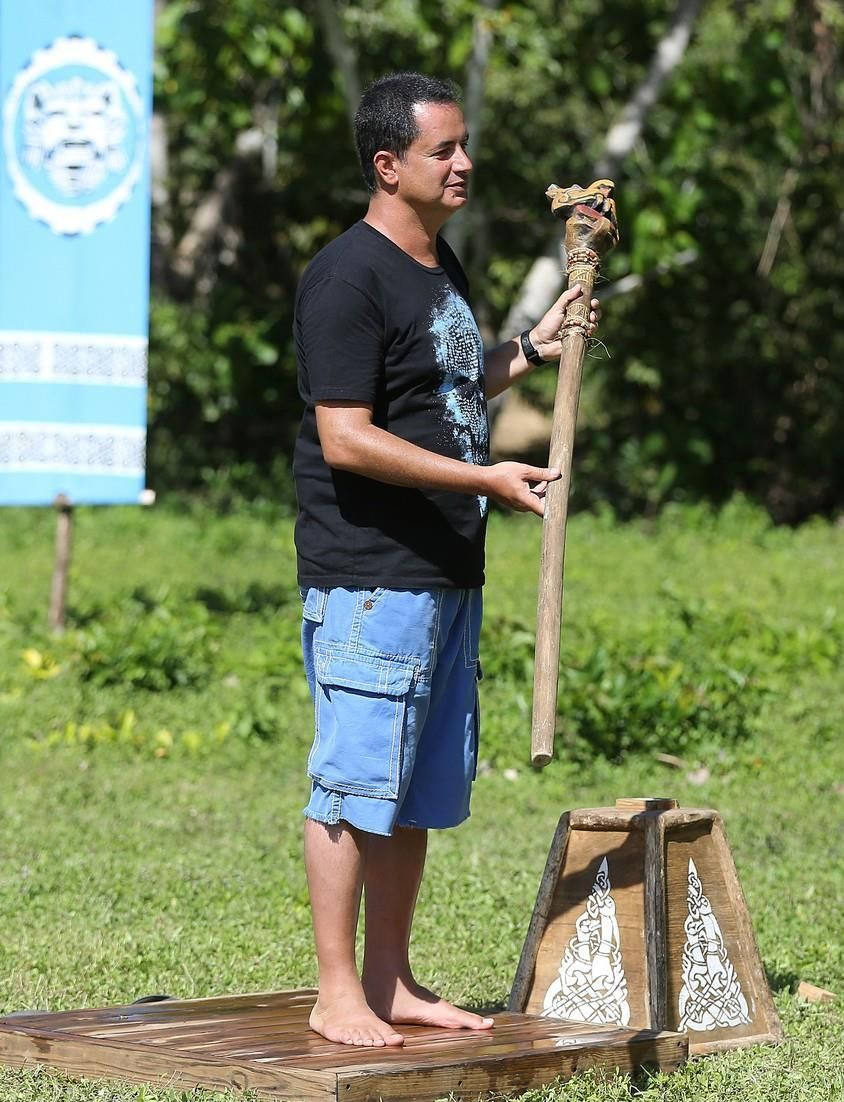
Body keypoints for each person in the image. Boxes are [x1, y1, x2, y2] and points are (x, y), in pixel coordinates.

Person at [293, 72, 597, 1048]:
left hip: (442, 571)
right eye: (442, 150)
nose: (464, 163)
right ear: (388, 165)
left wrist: (530, 351)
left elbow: (448, 383)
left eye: (464, 146)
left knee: (411, 789)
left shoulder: (438, 266)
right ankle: (336, 989)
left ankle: (392, 978)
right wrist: (484, 483)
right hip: (371, 575)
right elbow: (346, 436)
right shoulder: (347, 276)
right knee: (351, 786)